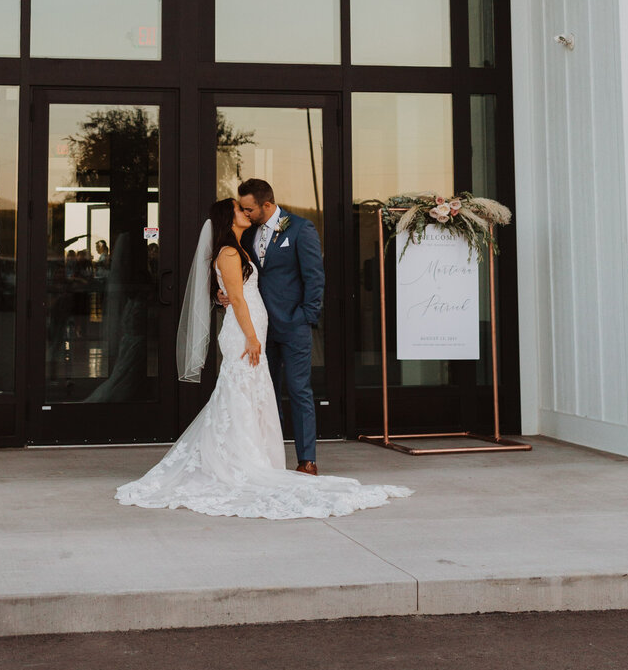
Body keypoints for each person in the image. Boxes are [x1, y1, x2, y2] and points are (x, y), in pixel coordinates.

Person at [115, 198, 410, 520]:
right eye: (241, 210)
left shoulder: (240, 248)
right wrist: (252, 337)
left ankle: (251, 457)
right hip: (244, 332)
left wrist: (228, 302)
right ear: (230, 218)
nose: (247, 213)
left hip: (252, 328)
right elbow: (238, 299)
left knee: (250, 395)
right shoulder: (229, 252)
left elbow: (234, 290)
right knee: (239, 394)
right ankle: (240, 461)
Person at [236, 178, 321, 474]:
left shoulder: (300, 228)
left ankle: (306, 459)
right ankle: (270, 459)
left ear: (267, 205)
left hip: (294, 325)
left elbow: (314, 277)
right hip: (260, 329)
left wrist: (306, 317)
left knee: (299, 390)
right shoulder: (248, 234)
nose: (246, 214)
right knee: (265, 392)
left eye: (249, 209)